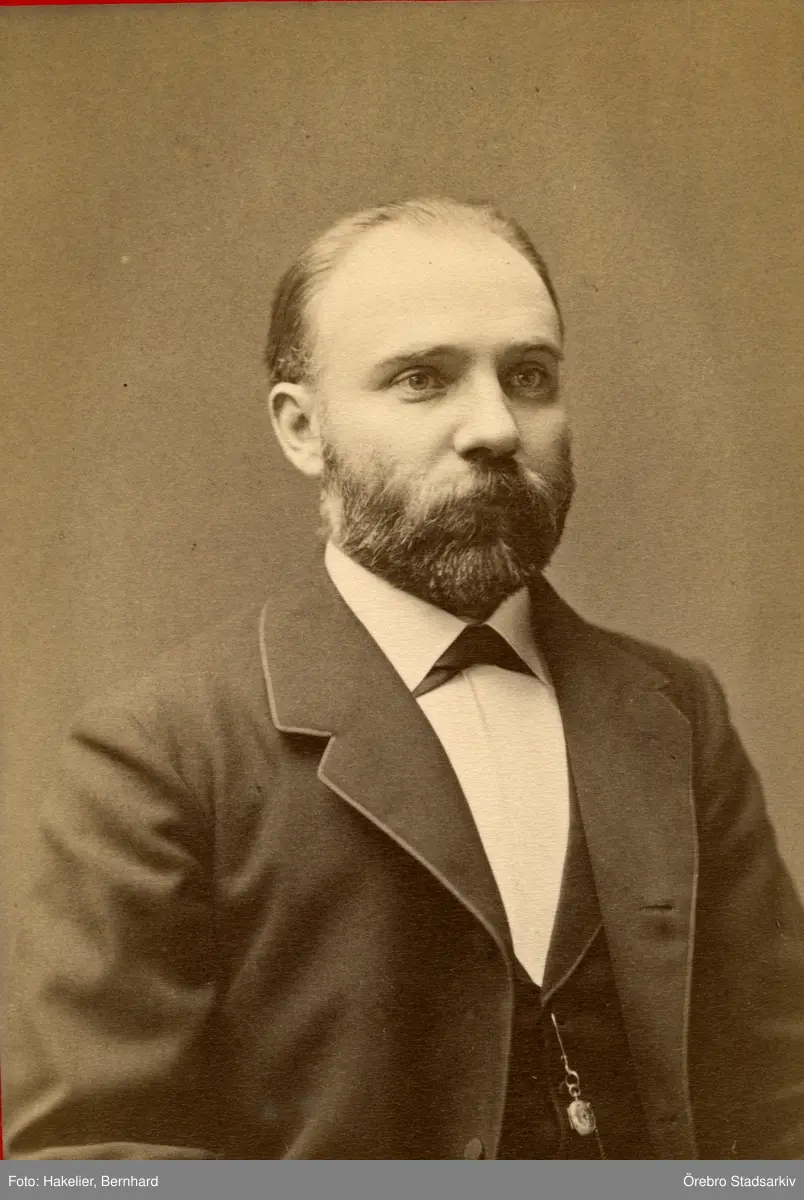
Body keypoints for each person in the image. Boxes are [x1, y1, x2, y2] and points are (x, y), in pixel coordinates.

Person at [6, 198, 804, 1162]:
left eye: (530, 376)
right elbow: (93, 1163)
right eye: (423, 379)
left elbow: (780, 1111)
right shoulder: (161, 753)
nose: (497, 427)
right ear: (304, 430)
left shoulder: (674, 709)